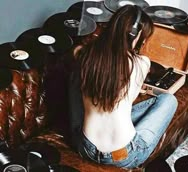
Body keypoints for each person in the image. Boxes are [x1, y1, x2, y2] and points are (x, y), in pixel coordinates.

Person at [68, 5, 178, 169]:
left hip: (85, 147)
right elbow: (128, 100)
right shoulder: (141, 63)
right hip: (123, 155)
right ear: (136, 35)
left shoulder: (81, 53)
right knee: (169, 100)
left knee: (75, 79)